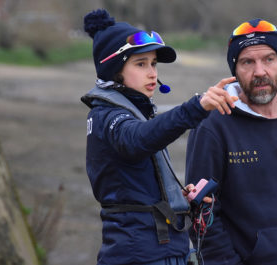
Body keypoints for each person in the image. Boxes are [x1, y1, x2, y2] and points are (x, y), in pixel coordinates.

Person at [81, 9, 237, 265]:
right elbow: (137, 140)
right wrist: (197, 107)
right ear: (114, 69)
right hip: (139, 255)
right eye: (141, 64)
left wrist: (178, 197)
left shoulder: (134, 112)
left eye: (153, 63)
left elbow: (136, 182)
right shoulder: (107, 116)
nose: (152, 73)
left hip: (162, 250)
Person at [185, 18, 277, 265]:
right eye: (247, 62)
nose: (260, 71)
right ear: (234, 70)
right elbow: (201, 215)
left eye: (269, 59)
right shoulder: (212, 126)